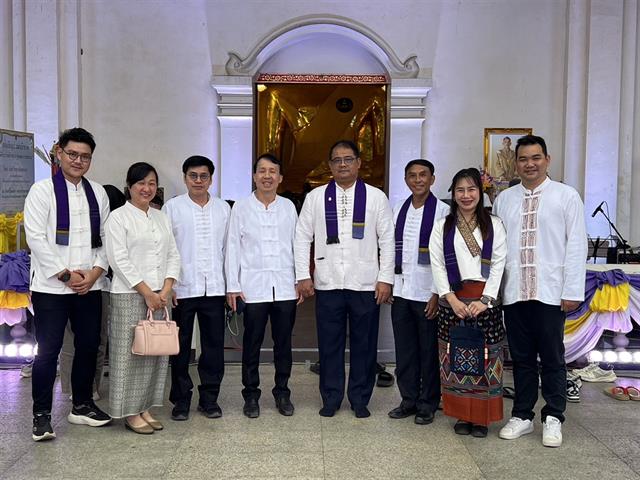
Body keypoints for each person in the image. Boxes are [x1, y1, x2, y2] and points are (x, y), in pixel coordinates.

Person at [493, 135, 587, 448]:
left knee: (552, 357)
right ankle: (522, 415)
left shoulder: (566, 196)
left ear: (547, 159)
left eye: (536, 158)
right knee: (519, 358)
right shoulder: (505, 199)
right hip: (515, 291)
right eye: (523, 159)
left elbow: (576, 245)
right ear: (516, 163)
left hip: (550, 291)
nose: (529, 164)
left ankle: (554, 416)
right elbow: (497, 249)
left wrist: (572, 289)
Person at [295, 140, 394, 418]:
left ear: (359, 163)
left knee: (365, 344)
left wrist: (385, 278)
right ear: (329, 165)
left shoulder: (376, 197)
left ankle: (360, 399)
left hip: (365, 283)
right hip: (328, 283)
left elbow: (387, 240)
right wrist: (303, 275)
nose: (342, 165)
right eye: (336, 160)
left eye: (348, 159)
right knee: (329, 344)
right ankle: (331, 397)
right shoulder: (316, 197)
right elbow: (301, 237)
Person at [24, 127, 112, 441]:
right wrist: (65, 274)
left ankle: (82, 405)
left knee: (90, 345)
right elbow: (36, 238)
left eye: (85, 156)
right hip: (51, 287)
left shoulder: (97, 193)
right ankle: (41, 415)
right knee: (48, 350)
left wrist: (95, 272)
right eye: (72, 154)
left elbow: (104, 240)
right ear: (59, 152)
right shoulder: (42, 190)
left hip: (89, 285)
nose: (78, 161)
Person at [429, 168, 507, 438]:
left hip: (485, 302)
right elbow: (437, 265)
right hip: (454, 301)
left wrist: (486, 299)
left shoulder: (494, 224)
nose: (466, 195)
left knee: (485, 360)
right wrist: (449, 298)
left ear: (480, 193)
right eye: (460, 190)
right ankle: (462, 414)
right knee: (455, 360)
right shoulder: (443, 226)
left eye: (471, 189)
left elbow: (498, 264)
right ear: (452, 194)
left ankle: (482, 418)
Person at [105, 162, 181, 434]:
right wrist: (146, 292)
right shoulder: (118, 217)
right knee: (130, 355)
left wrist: (167, 288)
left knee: (155, 353)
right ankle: (128, 411)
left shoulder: (161, 217)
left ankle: (145, 407)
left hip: (160, 296)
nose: (146, 188)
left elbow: (173, 252)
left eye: (151, 183)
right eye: (141, 184)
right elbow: (119, 259)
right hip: (130, 294)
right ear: (129, 186)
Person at [226, 154, 299, 418]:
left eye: (272, 171)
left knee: (283, 344)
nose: (267, 176)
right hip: (252, 287)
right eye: (262, 171)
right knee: (252, 343)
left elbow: (297, 245)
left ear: (280, 178)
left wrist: (300, 279)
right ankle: (251, 395)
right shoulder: (241, 207)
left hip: (284, 287)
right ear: (254, 176)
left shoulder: (289, 207)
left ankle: (282, 392)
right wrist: (232, 286)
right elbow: (233, 247)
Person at [162, 156, 230, 421]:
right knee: (179, 347)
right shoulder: (172, 208)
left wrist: (230, 287)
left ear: (211, 179)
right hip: (183, 289)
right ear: (185, 177)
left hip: (214, 287)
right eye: (193, 176)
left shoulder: (224, 209)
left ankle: (209, 398)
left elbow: (229, 251)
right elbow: (166, 250)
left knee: (213, 347)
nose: (199, 181)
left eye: (204, 176)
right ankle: (180, 400)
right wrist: (170, 286)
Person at [389, 159, 449, 425]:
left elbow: (446, 257)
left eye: (423, 175)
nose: (417, 180)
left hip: (427, 293)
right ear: (406, 180)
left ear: (432, 179)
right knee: (405, 350)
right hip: (402, 291)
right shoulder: (398, 210)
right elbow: (390, 250)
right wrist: (388, 282)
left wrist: (437, 293)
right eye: (412, 175)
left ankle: (428, 403)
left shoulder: (444, 212)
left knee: (428, 351)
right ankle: (408, 399)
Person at [59, 185, 126, 402]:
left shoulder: (109, 221)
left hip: (89, 284)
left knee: (84, 340)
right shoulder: (103, 222)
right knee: (86, 341)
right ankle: (83, 388)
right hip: (87, 285)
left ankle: (82, 387)